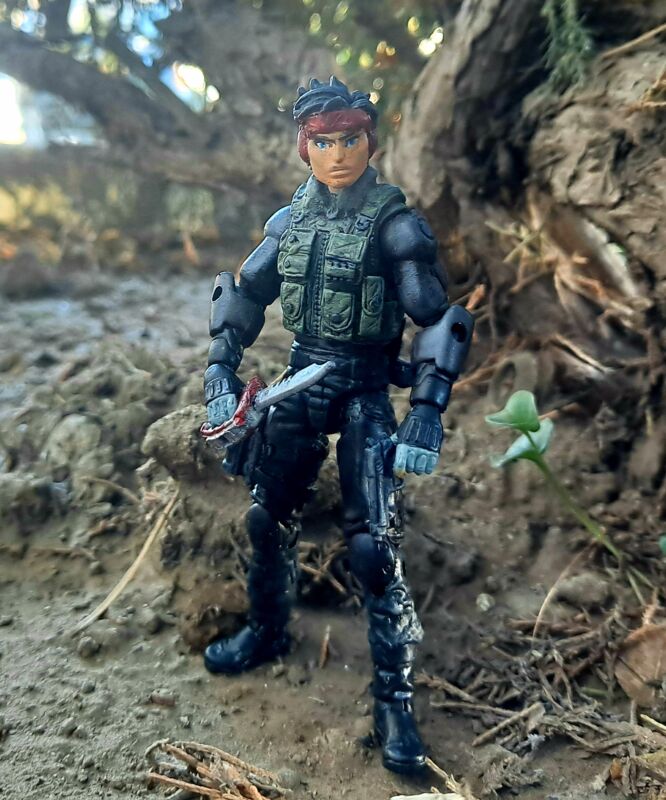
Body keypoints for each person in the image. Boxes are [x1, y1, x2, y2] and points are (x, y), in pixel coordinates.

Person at [202, 76, 473, 774]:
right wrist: (220, 370)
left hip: (362, 387)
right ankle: (267, 631)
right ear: (306, 148)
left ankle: (394, 699)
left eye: (351, 139)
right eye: (323, 142)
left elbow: (438, 319)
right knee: (266, 519)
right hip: (301, 378)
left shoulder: (395, 225)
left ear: (369, 141)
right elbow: (244, 293)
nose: (339, 154)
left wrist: (426, 415)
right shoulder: (290, 220)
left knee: (372, 550)